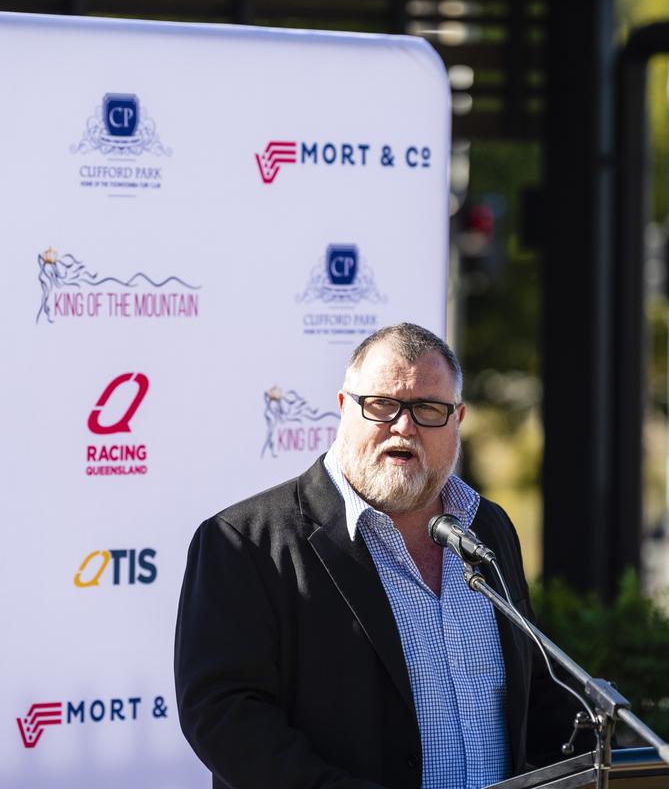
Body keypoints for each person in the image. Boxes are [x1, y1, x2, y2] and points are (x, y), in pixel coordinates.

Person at [175, 322, 574, 789]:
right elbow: (225, 718)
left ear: (457, 420)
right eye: (382, 405)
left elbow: (535, 687)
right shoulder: (244, 541)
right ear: (345, 408)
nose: (403, 427)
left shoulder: (488, 526)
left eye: (428, 408)